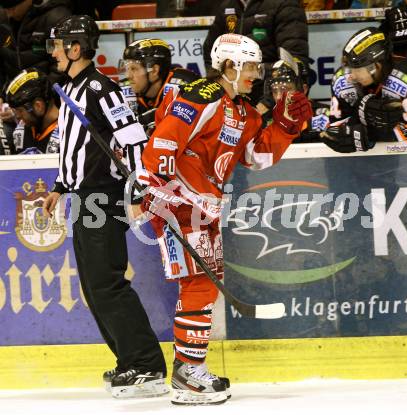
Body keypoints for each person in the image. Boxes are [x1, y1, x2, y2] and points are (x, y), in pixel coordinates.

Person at [137, 33, 312, 405]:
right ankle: (187, 374)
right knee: (200, 283)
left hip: (205, 207)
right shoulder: (202, 95)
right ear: (229, 65)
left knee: (204, 283)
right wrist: (159, 190)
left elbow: (255, 156)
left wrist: (285, 126)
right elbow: (164, 143)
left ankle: (189, 369)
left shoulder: (242, 111)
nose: (256, 74)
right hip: (180, 204)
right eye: (250, 67)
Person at [42, 15, 168, 399]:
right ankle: (130, 360)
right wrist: (60, 187)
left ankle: (147, 365)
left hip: (102, 196)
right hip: (82, 197)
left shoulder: (101, 88)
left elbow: (132, 141)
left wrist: (135, 192)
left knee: (107, 282)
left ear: (75, 49)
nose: (54, 53)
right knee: (95, 286)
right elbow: (74, 148)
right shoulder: (70, 90)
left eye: (58, 45)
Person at [322, 27, 407, 153]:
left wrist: (370, 136)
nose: (351, 76)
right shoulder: (342, 80)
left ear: (376, 66)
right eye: (349, 67)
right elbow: (335, 125)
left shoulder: (406, 78)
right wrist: (355, 127)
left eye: (357, 69)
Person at [202, 0, 309, 111]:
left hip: (269, 102)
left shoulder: (285, 4)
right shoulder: (228, 5)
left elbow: (291, 64)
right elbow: (211, 51)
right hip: (234, 100)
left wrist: (266, 105)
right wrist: (223, 86)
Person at [119, 38, 198, 130]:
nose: (128, 75)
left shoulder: (184, 86)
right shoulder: (123, 88)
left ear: (154, 70)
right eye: (127, 68)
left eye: (134, 69)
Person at [0, 0, 72, 81]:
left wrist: (46, 90)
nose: (9, 14)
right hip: (13, 90)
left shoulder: (54, 19)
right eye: (6, 9)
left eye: (13, 8)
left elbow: (62, 64)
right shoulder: (4, 19)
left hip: (45, 89)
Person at [5, 68, 59, 154]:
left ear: (38, 106)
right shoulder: (23, 128)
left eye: (20, 110)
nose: (17, 116)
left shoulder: (67, 135)